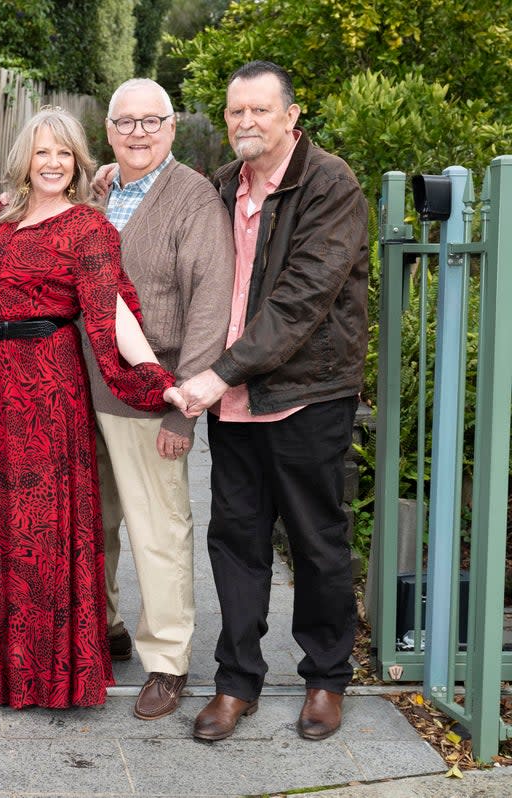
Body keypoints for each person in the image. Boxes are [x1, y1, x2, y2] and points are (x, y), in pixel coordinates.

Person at [0, 106, 184, 710]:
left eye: (63, 153)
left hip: (47, 389)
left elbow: (113, 312)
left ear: (78, 162)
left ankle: (48, 671)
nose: (52, 163)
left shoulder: (89, 229)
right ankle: (4, 657)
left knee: (43, 526)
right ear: (25, 159)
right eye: (42, 152)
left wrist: (156, 377)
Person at [177, 61, 368, 742]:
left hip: (305, 395)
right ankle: (237, 682)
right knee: (237, 541)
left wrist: (217, 374)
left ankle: (325, 678)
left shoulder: (330, 184)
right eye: (236, 112)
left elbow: (300, 303)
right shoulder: (224, 186)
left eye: (260, 110)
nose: (246, 122)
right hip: (235, 399)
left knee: (316, 540)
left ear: (291, 116)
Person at [84, 79, 234, 720]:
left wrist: (183, 408)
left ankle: (167, 660)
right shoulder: (98, 190)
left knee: (159, 530)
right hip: (77, 389)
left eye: (152, 121)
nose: (138, 132)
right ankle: (108, 625)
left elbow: (211, 305)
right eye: (127, 122)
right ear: (110, 130)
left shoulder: (192, 198)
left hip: (152, 395)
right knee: (95, 524)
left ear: (171, 129)